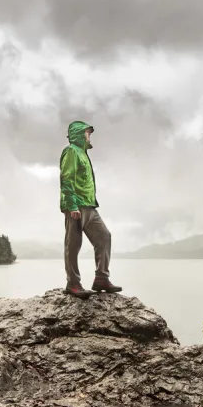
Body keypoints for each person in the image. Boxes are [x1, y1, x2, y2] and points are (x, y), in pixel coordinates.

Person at [59, 120, 122, 297]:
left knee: (104, 236)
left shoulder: (83, 153)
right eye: (87, 132)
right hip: (76, 206)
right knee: (73, 245)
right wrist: (72, 205)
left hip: (89, 205)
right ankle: (73, 284)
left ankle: (101, 279)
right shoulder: (71, 151)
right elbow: (66, 178)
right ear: (79, 134)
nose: (89, 135)